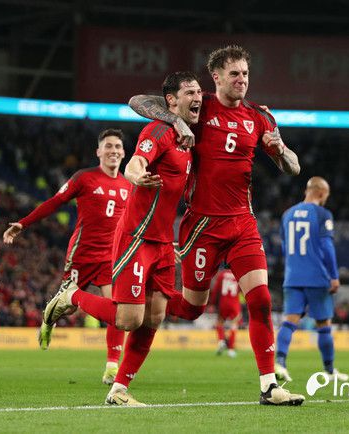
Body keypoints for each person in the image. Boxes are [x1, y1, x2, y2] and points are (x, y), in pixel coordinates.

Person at [129, 45, 304, 406]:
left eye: (246, 74)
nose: (242, 80)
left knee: (260, 299)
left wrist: (280, 151)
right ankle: (146, 300)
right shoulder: (200, 105)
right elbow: (137, 101)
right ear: (217, 77)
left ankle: (269, 386)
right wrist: (177, 122)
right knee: (192, 308)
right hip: (202, 226)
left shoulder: (259, 117)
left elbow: (294, 167)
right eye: (234, 74)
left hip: (242, 223)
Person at [42, 71, 200, 406]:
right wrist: (137, 176)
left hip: (163, 242)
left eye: (199, 91)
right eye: (190, 92)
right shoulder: (158, 131)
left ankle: (118, 390)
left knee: (155, 317)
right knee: (130, 319)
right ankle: (72, 295)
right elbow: (136, 162)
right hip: (137, 237)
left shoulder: (188, 141)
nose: (198, 97)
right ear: (171, 101)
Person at [2, 129, 132, 385]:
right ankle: (48, 320)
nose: (113, 150)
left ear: (124, 152)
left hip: (111, 257)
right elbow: (54, 202)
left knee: (117, 307)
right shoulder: (84, 178)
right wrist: (24, 224)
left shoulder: (129, 186)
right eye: (108, 146)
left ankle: (111, 366)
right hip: (81, 255)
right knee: (68, 307)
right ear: (98, 151)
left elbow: (132, 224)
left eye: (118, 146)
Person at [274, 176, 349, 383]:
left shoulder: (287, 214)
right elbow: (327, 247)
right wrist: (333, 276)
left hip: (292, 277)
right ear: (322, 193)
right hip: (316, 277)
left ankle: (280, 363)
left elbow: (284, 248)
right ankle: (329, 371)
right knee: (323, 324)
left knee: (289, 322)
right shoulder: (322, 214)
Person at [209, 268, 241, 358]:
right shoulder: (238, 274)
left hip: (223, 302)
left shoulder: (222, 275)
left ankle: (221, 341)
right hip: (234, 302)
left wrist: (212, 303)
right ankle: (231, 350)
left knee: (219, 322)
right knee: (234, 325)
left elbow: (216, 289)